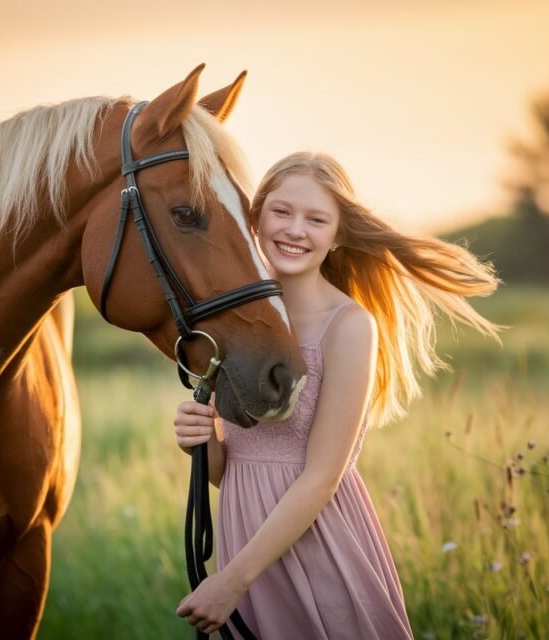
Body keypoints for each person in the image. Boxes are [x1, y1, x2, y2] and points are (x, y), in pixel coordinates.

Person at [173, 152, 500, 638]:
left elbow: (323, 477)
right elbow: (234, 471)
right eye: (282, 211)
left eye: (316, 219)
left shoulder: (348, 327)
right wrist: (202, 443)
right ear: (256, 216)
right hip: (245, 539)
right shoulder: (241, 327)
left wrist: (232, 581)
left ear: (337, 235)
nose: (295, 230)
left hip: (316, 543)